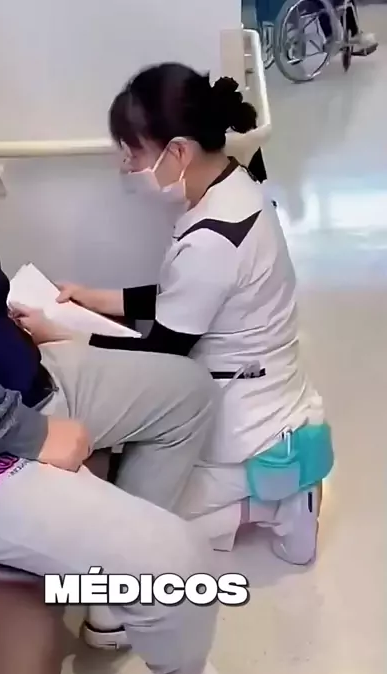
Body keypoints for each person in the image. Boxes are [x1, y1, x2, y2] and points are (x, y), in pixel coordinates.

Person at [0, 5, 279, 674]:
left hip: (10, 374)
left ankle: (109, 603)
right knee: (175, 558)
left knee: (185, 394)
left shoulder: (218, 220)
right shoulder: (220, 212)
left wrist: (17, 320)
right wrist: (28, 433)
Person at [17, 63, 334, 573]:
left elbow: (160, 358)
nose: (126, 166)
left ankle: (278, 504)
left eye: (134, 153)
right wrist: (95, 299)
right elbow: (184, 298)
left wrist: (64, 337)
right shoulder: (237, 183)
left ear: (179, 152)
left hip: (240, 417)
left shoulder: (212, 239)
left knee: (144, 521)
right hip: (261, 384)